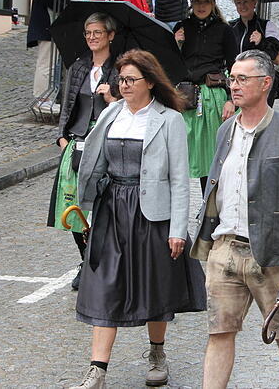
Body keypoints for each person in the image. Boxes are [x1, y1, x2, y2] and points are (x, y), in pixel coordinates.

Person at [69, 50, 206, 389]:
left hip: (152, 214)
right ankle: (97, 370)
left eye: (130, 80)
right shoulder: (111, 114)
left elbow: (179, 179)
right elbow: (95, 163)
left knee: (154, 286)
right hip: (112, 211)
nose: (123, 85)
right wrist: (86, 200)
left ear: (149, 82)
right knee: (105, 285)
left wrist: (177, 230)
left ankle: (157, 353)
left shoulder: (169, 120)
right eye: (120, 79)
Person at [190, 50, 279, 389]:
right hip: (225, 248)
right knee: (219, 332)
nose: (234, 85)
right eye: (232, 78)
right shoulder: (225, 131)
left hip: (273, 256)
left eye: (242, 79)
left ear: (265, 83)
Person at [49, 12, 119, 291]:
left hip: (107, 139)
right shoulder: (78, 67)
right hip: (77, 140)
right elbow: (67, 106)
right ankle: (85, 260)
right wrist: (61, 138)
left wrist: (112, 96)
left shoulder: (120, 68)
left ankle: (102, 261)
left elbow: (131, 105)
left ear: (110, 36)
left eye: (98, 33)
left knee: (102, 204)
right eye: (88, 33)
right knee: (74, 205)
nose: (92, 38)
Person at [173, 0, 238, 189]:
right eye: (197, 1)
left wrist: (231, 99)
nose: (201, 6)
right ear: (191, 3)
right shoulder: (182, 27)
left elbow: (233, 65)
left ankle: (209, 210)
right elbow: (169, 64)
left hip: (212, 96)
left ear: (212, 4)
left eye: (205, 2)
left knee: (210, 156)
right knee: (178, 155)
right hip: (184, 96)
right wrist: (177, 43)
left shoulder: (224, 30)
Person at [229, 0, 279, 106]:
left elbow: (278, 59)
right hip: (237, 80)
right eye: (238, 2)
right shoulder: (230, 27)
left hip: (259, 81)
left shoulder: (266, 26)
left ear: (254, 3)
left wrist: (261, 42)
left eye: (245, 2)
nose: (242, 6)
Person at [27, 0, 64, 105]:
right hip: (46, 23)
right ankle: (41, 96)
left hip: (46, 23)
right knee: (45, 62)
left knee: (48, 61)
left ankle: (44, 95)